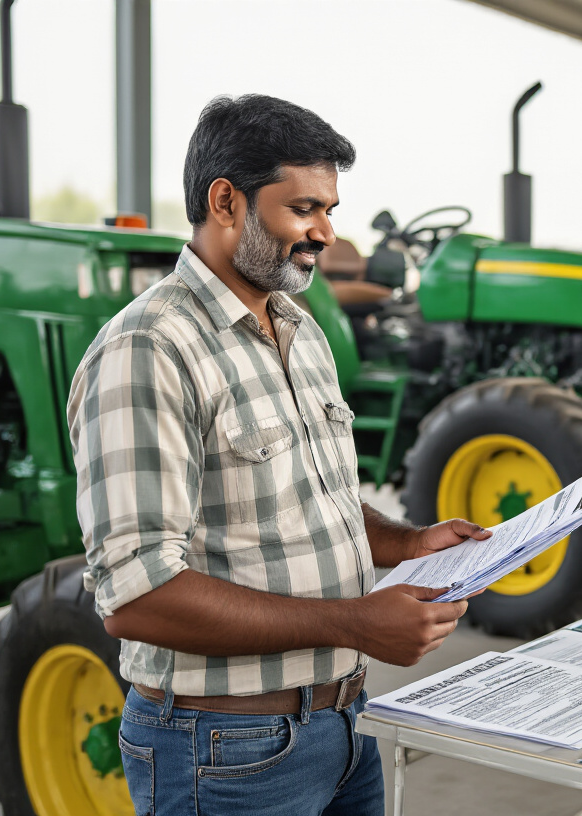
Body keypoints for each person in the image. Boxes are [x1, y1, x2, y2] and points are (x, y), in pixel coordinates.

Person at [67, 94, 490, 816]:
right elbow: (135, 594)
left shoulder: (300, 328)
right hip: (223, 750)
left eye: (330, 209)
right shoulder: (151, 348)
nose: (325, 232)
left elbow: (308, 497)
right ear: (226, 202)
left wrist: (410, 542)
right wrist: (356, 623)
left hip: (342, 728)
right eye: (305, 209)